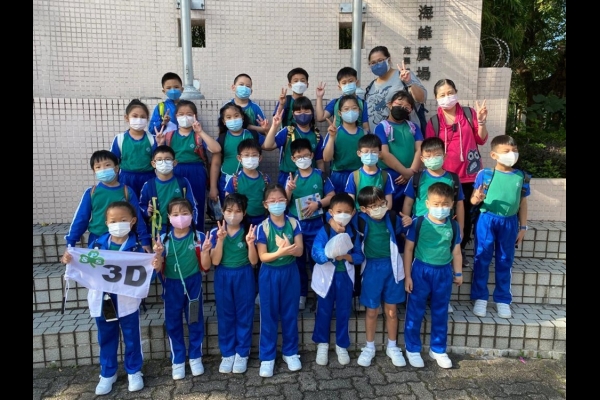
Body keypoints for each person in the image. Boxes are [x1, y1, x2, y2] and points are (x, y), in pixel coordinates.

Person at [61, 201, 161, 395]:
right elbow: (85, 266)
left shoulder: (137, 249)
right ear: (106, 223)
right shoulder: (97, 245)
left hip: (127, 301)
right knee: (106, 337)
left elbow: (146, 275)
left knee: (132, 337)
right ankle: (108, 373)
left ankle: (134, 371)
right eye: (113, 221)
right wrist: (70, 259)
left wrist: (155, 266)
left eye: (123, 220)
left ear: (133, 221)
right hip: (103, 301)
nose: (118, 224)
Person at [424, 78, 489, 267]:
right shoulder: (434, 122)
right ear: (436, 98)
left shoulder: (469, 114)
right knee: (443, 212)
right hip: (445, 176)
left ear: (456, 92)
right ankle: (443, 249)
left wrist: (481, 122)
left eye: (450, 92)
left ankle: (461, 249)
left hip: (469, 175)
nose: (447, 97)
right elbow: (429, 149)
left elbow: (481, 139)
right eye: (442, 95)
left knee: (466, 214)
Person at [403, 182, 463, 369]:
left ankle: (438, 349)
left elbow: (456, 251)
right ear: (427, 203)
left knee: (440, 311)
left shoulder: (453, 226)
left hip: (443, 273)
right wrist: (408, 276)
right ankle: (412, 348)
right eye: (436, 204)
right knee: (415, 310)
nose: (440, 208)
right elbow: (408, 249)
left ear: (452, 204)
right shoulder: (418, 222)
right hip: (421, 271)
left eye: (445, 204)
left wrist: (458, 272)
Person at [470, 135, 530, 319]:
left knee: (505, 259)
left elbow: (523, 202)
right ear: (494, 155)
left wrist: (523, 227)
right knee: (482, 257)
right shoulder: (485, 174)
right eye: (506, 151)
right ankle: (480, 297)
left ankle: (503, 299)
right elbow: (473, 200)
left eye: (514, 150)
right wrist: (476, 199)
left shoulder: (521, 176)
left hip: (509, 222)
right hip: (487, 219)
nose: (512, 154)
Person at [152, 197, 212, 380]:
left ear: (192, 215)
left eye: (185, 213)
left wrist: (206, 251)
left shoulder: (199, 238)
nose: (180, 217)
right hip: (171, 285)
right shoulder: (164, 240)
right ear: (169, 217)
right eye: (176, 214)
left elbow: (206, 267)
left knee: (195, 319)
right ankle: (177, 359)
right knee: (173, 322)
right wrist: (157, 254)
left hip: (193, 283)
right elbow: (157, 268)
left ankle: (195, 356)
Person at [254, 183, 304, 378]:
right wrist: (280, 252)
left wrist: (290, 248)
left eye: (281, 200)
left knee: (290, 313)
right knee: (269, 314)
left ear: (286, 201)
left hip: (290, 272)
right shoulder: (263, 227)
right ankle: (267, 357)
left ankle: (290, 352)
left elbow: (300, 251)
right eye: (272, 201)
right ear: (265, 205)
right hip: (269, 274)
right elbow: (262, 256)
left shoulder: (294, 223)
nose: (277, 204)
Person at [355, 186, 407, 368]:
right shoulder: (360, 220)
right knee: (372, 310)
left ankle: (392, 346)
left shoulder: (391, 217)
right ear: (364, 209)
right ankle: (369, 347)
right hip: (371, 269)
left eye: (382, 204)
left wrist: (408, 221)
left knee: (391, 311)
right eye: (374, 206)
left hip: (392, 267)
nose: (379, 208)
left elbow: (405, 229)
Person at [311, 193, 364, 366]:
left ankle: (341, 345)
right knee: (324, 310)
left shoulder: (353, 233)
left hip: (345, 278)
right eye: (339, 211)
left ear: (353, 213)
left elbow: (359, 256)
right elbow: (316, 252)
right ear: (331, 212)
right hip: (326, 278)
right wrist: (328, 255)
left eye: (347, 212)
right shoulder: (325, 230)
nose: (343, 215)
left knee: (343, 311)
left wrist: (347, 257)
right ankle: (322, 344)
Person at [63, 150, 152, 253]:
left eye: (107, 165)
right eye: (98, 167)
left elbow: (137, 217)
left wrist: (144, 240)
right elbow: (81, 218)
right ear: (94, 171)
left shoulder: (127, 191)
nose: (103, 169)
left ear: (117, 168)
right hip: (98, 241)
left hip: (124, 241)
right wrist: (71, 242)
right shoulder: (91, 192)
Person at [209, 193, 258, 374]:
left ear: (244, 213)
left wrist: (250, 244)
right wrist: (220, 240)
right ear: (222, 211)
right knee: (225, 315)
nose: (233, 215)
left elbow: (254, 261)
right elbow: (215, 261)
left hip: (244, 274)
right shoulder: (216, 232)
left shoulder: (248, 232)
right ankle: (228, 353)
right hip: (223, 275)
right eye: (229, 210)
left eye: (238, 211)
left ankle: (242, 353)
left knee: (244, 314)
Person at [285, 138, 335, 310]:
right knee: (298, 262)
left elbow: (332, 196)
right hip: (297, 227)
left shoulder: (320, 175)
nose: (303, 159)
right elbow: (283, 202)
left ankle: (319, 294)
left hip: (317, 226)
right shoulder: (290, 178)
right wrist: (289, 190)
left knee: (318, 261)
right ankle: (301, 294)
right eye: (299, 157)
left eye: (306, 155)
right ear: (293, 159)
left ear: (312, 155)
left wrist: (318, 204)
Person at [155, 100, 221, 231]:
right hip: (174, 172)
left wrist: (200, 131)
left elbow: (216, 149)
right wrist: (160, 144)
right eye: (181, 114)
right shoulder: (169, 136)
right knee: (174, 205)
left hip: (196, 172)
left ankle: (198, 234)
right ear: (176, 116)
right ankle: (174, 234)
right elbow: (160, 156)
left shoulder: (198, 136)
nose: (185, 117)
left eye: (189, 114)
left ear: (195, 116)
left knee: (196, 204)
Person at [402, 137, 465, 244]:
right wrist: (405, 226)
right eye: (428, 156)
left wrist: (461, 229)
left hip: (445, 227)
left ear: (444, 156)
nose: (433, 159)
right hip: (419, 226)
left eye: (437, 155)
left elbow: (459, 204)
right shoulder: (417, 178)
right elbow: (408, 203)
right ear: (422, 159)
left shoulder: (453, 179)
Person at [374, 90, 424, 213]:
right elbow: (384, 154)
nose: (402, 108)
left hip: (411, 176)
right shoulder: (381, 127)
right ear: (390, 105)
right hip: (389, 177)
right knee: (389, 210)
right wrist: (404, 172)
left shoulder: (413, 127)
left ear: (410, 110)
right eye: (399, 104)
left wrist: (411, 172)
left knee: (408, 212)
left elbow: (420, 149)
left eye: (406, 107)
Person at [209, 102, 266, 206]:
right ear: (224, 121)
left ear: (242, 117)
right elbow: (216, 164)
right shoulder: (222, 138)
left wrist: (268, 130)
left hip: (250, 180)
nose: (233, 120)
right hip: (226, 180)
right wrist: (213, 187)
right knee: (230, 209)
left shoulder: (252, 134)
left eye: (236, 116)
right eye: (229, 117)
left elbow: (269, 145)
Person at [264, 96, 325, 188]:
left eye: (306, 111)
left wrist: (322, 179)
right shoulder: (287, 132)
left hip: (309, 178)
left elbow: (319, 161)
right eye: (299, 112)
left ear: (312, 113)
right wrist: (274, 126)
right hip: (287, 177)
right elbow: (268, 146)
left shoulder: (317, 136)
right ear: (293, 114)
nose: (303, 115)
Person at [364, 46, 427, 133]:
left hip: (403, 135)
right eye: (373, 63)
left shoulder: (403, 76)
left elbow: (422, 98)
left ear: (389, 60)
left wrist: (409, 82)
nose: (377, 64)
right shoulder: (371, 86)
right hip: (377, 138)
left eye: (380, 60)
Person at [139, 145, 197, 238]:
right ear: (153, 164)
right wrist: (147, 211)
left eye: (167, 159)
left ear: (174, 162)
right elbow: (141, 206)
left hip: (181, 227)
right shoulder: (148, 185)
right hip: (158, 229)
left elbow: (192, 205)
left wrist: (192, 225)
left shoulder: (182, 182)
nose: (163, 162)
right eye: (159, 160)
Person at [109, 99, 157, 198]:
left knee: (147, 204)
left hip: (148, 177)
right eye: (135, 116)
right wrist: (113, 183)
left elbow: (158, 161)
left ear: (147, 119)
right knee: (127, 204)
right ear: (127, 118)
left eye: (142, 117)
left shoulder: (152, 139)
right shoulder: (120, 139)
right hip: (126, 178)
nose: (139, 120)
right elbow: (113, 163)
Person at [321, 95, 367, 194]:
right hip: (339, 177)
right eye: (346, 109)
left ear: (359, 111)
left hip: (360, 176)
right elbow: (326, 158)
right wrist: (332, 137)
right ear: (339, 113)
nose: (351, 111)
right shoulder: (334, 133)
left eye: (354, 108)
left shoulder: (365, 133)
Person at [223, 138, 271, 227]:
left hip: (262, 218)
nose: (250, 158)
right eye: (246, 155)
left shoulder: (265, 179)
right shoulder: (234, 180)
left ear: (260, 158)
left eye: (254, 155)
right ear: (239, 158)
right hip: (241, 221)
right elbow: (228, 202)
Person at [344, 134, 395, 210]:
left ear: (379, 153)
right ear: (359, 153)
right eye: (366, 152)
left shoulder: (385, 176)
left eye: (374, 152)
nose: (370, 155)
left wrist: (381, 213)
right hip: (360, 214)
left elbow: (389, 203)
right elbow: (351, 201)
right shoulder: (354, 176)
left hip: (380, 214)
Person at [315, 67, 370, 132]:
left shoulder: (362, 103)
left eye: (350, 81)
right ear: (339, 87)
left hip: (358, 137)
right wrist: (319, 97)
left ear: (357, 82)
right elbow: (320, 117)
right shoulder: (335, 102)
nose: (348, 84)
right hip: (338, 136)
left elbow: (365, 126)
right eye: (344, 83)